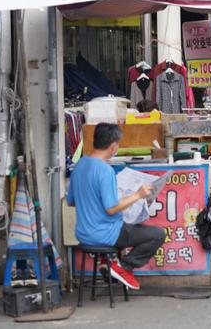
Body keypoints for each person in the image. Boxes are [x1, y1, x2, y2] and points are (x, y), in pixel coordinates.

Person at [66, 123, 165, 290]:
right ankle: (123, 267)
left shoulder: (80, 165)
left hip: (83, 233)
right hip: (106, 234)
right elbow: (111, 208)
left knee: (130, 225)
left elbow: (71, 201)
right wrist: (138, 195)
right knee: (157, 234)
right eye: (118, 144)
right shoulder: (105, 171)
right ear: (113, 146)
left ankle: (111, 262)